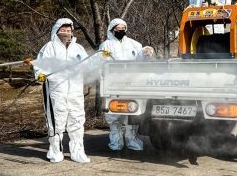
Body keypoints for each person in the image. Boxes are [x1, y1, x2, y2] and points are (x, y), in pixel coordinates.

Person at [33, 18, 91, 163]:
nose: (66, 32)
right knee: (56, 122)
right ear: (56, 31)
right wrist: (40, 74)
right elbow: (40, 64)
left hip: (75, 92)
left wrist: (99, 59)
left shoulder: (78, 48)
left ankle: (78, 152)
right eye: (63, 30)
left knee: (77, 121)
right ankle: (55, 151)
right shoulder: (49, 47)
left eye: (69, 30)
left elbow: (87, 65)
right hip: (56, 90)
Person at [99, 18, 153, 151]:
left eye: (123, 28)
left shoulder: (134, 44)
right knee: (114, 114)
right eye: (118, 29)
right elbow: (101, 64)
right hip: (113, 85)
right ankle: (116, 141)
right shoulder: (106, 45)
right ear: (112, 30)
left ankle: (131, 139)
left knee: (133, 112)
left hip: (132, 84)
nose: (121, 31)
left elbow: (141, 59)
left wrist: (147, 51)